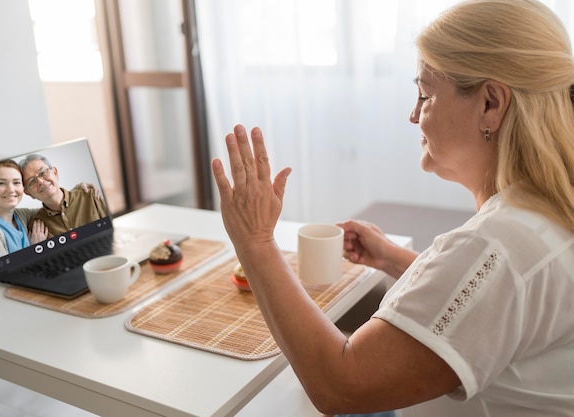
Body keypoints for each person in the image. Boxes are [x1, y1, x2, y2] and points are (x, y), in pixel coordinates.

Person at [210, 0, 574, 416]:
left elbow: (341, 386)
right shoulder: (543, 215)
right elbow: (500, 302)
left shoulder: (497, 246)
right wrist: (398, 260)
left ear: (490, 104)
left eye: (425, 93)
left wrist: (255, 242)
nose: (413, 114)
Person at [0, 160, 48, 261]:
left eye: (16, 182)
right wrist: (35, 250)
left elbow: (55, 207)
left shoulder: (22, 215)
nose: (11, 189)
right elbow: (4, 271)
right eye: (1, 183)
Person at [19, 154, 108, 238]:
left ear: (55, 172)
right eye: (32, 181)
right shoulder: (37, 229)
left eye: (43, 173)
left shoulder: (91, 196)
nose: (41, 182)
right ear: (28, 193)